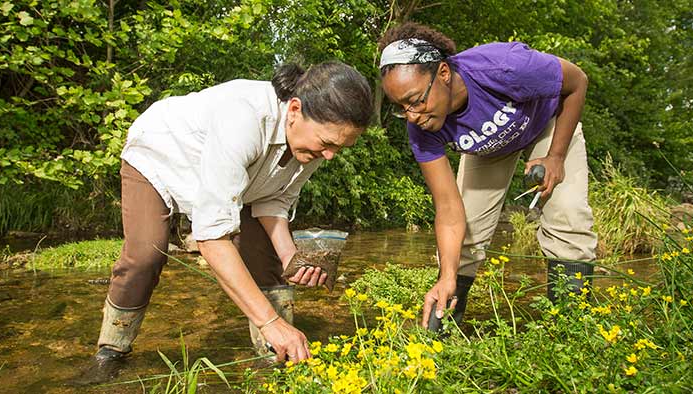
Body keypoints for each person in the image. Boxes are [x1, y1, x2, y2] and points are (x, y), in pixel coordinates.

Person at [83, 61, 373, 381]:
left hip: (238, 180)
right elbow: (211, 238)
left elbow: (273, 201)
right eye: (328, 143)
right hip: (159, 159)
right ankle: (112, 349)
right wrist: (269, 321)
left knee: (266, 256)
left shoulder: (313, 147)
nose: (331, 155)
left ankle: (276, 353)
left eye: (340, 147)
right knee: (146, 254)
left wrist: (290, 256)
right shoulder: (243, 119)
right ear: (294, 109)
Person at [378, 22, 597, 330]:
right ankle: (445, 326)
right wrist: (446, 276)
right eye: (401, 107)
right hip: (490, 147)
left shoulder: (504, 67)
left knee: (568, 214)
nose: (411, 115)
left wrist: (556, 157)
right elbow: (448, 209)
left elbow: (577, 83)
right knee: (465, 236)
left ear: (443, 74)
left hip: (550, 123)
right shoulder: (420, 128)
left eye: (415, 100)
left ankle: (572, 329)